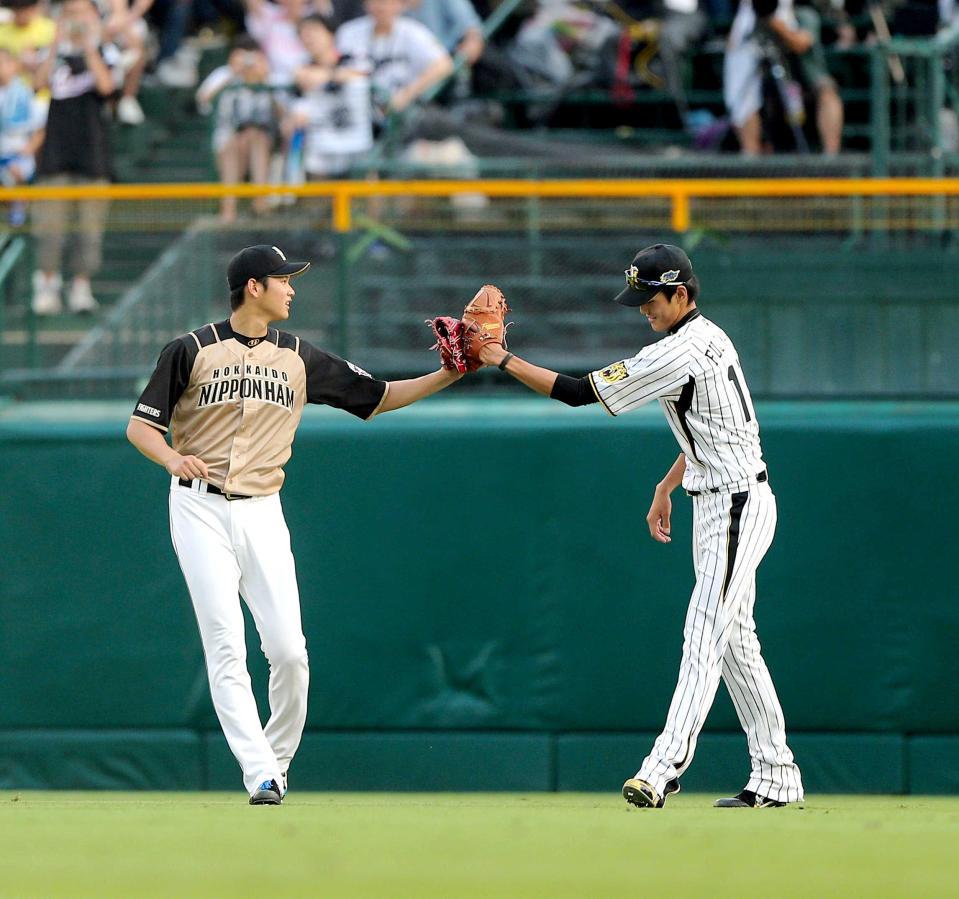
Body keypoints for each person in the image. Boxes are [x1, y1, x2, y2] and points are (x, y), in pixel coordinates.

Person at [125, 244, 464, 805]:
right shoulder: (189, 350)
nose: (292, 288)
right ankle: (257, 771)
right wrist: (169, 458)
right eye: (283, 279)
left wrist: (451, 373)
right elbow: (141, 427)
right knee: (226, 643)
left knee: (288, 651)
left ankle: (276, 762)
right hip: (197, 506)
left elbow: (379, 397)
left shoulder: (300, 357)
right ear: (253, 287)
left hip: (262, 507)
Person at [473, 243, 804, 809]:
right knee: (735, 645)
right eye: (639, 298)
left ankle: (663, 767)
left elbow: (579, 393)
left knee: (703, 633)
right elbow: (714, 428)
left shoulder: (680, 351)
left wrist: (501, 358)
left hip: (736, 506)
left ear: (682, 293)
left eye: (651, 298)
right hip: (718, 499)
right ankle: (777, 775)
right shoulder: (705, 337)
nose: (643, 309)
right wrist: (667, 483)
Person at [31, 0, 120, 316]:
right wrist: (56, 44)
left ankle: (81, 285)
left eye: (82, 12)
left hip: (92, 154)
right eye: (69, 13)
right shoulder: (50, 54)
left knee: (89, 230)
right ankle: (47, 284)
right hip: (55, 154)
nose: (76, 19)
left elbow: (107, 86)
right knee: (50, 227)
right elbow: (38, 83)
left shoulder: (107, 52)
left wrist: (88, 46)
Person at [724, 0, 843, 154]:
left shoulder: (804, 14)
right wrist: (764, 18)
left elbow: (801, 44)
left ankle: (831, 158)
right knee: (746, 101)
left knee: (828, 92)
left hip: (800, 77)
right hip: (766, 80)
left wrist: (776, 24)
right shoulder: (748, 16)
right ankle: (750, 155)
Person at [196, 35, 285, 222]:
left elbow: (284, 112)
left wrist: (264, 79)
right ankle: (228, 210)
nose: (248, 61)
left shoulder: (268, 75)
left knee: (255, 136)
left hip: (264, 143)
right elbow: (203, 100)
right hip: (227, 142)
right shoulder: (224, 73)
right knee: (233, 144)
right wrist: (233, 74)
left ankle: (260, 201)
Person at [335, 0, 453, 125]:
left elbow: (444, 65)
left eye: (385, 2)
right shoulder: (349, 31)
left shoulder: (412, 31)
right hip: (356, 108)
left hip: (401, 112)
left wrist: (406, 95)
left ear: (399, 4)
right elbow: (333, 68)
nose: (380, 7)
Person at [288, 14, 372, 179]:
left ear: (330, 34)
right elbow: (298, 103)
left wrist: (326, 75)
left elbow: (364, 73)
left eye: (314, 32)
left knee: (368, 182)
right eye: (303, 34)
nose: (309, 38)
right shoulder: (301, 70)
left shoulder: (353, 57)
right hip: (321, 143)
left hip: (358, 139)